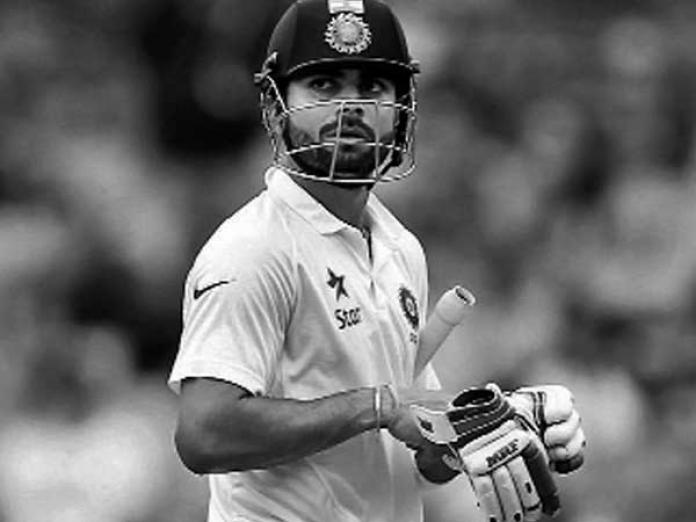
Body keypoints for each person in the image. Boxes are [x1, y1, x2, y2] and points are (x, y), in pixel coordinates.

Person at [168, 1, 586, 521]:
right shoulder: (254, 248)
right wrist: (377, 407)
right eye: (324, 86)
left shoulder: (399, 248)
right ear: (275, 108)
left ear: (401, 109)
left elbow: (417, 457)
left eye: (372, 87)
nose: (351, 107)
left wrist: (492, 421)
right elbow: (204, 435)